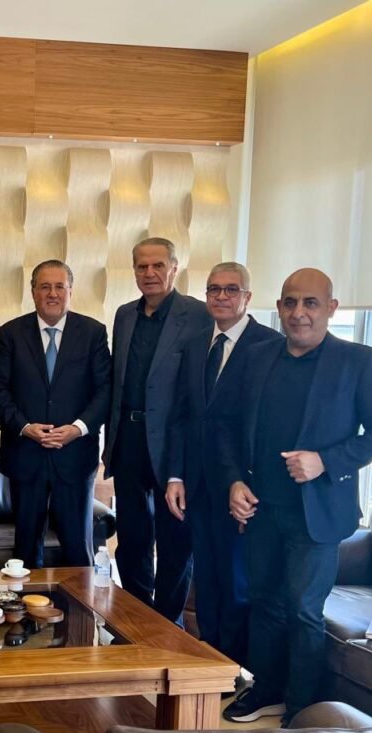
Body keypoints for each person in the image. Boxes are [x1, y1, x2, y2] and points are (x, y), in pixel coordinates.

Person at [219, 268, 372, 725]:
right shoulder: (257, 356)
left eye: (310, 303)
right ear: (279, 307)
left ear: (331, 308)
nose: (298, 313)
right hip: (261, 508)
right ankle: (266, 689)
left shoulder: (357, 361)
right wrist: (234, 481)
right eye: (290, 302)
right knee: (263, 601)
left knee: (303, 610)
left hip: (317, 513)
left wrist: (326, 460)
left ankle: (302, 708)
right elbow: (223, 424)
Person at [165, 262, 281, 674]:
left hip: (242, 490)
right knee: (207, 580)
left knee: (237, 584)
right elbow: (181, 415)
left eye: (231, 290)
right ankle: (210, 664)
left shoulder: (270, 345)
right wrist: (175, 475)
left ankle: (237, 671)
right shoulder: (197, 343)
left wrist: (247, 483)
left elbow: (269, 426)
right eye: (214, 289)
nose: (221, 297)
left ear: (248, 297)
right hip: (197, 484)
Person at [103, 237, 210, 623]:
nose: (149, 273)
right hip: (128, 440)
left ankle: (168, 624)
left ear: (174, 268)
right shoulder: (124, 315)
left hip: (173, 444)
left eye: (158, 266)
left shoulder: (198, 315)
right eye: (141, 266)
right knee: (132, 539)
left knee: (175, 541)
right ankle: (136, 620)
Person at [0, 260, 112, 567]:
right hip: (25, 454)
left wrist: (78, 428)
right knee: (25, 552)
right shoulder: (11, 333)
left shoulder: (93, 333)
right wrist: (24, 426)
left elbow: (106, 390)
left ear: (71, 291)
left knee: (77, 549)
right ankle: (28, 600)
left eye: (59, 286)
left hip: (75, 455)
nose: (52, 293)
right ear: (33, 292)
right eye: (45, 287)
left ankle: (78, 601)